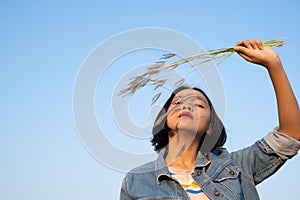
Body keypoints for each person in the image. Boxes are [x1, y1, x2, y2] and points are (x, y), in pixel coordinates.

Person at [119, 39, 300, 199]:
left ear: (210, 126)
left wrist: (274, 64)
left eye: (198, 105)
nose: (186, 106)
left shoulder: (236, 166)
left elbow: (291, 134)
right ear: (164, 120)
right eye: (178, 102)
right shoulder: (137, 180)